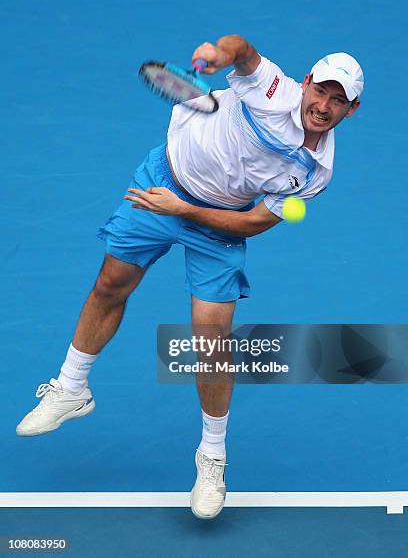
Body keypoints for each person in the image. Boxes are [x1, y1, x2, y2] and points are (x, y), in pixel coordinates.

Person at [16, 35, 364, 519]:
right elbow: (242, 49)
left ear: (352, 110)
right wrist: (222, 55)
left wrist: (184, 211)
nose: (324, 106)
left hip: (217, 223)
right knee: (110, 284)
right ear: (305, 83)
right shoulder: (271, 88)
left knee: (211, 338)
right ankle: (72, 388)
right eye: (321, 91)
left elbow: (252, 225)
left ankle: (212, 457)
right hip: (164, 180)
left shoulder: (316, 174)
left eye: (338, 100)